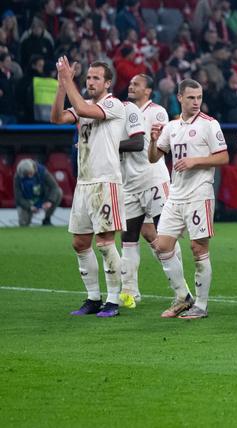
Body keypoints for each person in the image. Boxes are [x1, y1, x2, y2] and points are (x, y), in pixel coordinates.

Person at [50, 57, 128, 318]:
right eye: (89, 77)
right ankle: (93, 298)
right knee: (80, 242)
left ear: (107, 82)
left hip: (105, 182)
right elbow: (57, 117)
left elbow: (82, 109)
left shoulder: (113, 104)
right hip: (84, 183)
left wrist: (68, 81)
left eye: (96, 78)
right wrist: (62, 85)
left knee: (105, 243)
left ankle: (114, 301)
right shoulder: (84, 103)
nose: (90, 81)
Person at [147, 79, 230, 319]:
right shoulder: (172, 127)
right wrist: (153, 141)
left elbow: (223, 157)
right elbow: (154, 158)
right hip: (176, 194)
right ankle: (183, 296)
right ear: (180, 97)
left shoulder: (209, 124)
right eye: (191, 97)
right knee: (162, 246)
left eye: (199, 97)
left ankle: (201, 306)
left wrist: (196, 160)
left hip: (199, 194)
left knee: (198, 247)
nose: (196, 102)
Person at [118, 74, 172, 308]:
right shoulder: (122, 111)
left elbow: (151, 143)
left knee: (163, 235)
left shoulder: (157, 112)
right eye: (130, 83)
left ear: (148, 91)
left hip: (153, 180)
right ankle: (130, 291)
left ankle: (179, 288)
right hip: (130, 183)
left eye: (136, 84)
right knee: (130, 237)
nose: (131, 86)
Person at [14, 158, 61, 227]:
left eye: (31, 173)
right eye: (27, 175)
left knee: (59, 192)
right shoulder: (17, 177)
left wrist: (50, 201)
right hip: (27, 201)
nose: (29, 176)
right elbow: (18, 197)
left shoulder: (43, 171)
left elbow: (55, 187)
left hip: (42, 198)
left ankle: (47, 219)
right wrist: (29, 207)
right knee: (23, 224)